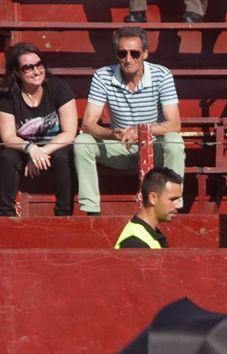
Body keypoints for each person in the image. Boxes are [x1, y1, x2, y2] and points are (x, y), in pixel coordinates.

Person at [74, 27, 186, 217]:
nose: (128, 59)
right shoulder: (103, 75)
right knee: (82, 142)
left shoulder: (161, 74)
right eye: (122, 53)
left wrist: (142, 131)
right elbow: (87, 124)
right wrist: (113, 133)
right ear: (116, 55)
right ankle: (91, 211)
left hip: (153, 145)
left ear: (144, 54)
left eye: (134, 53)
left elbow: (174, 124)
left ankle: (174, 202)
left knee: (174, 140)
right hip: (120, 145)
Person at [0, 43, 77, 218]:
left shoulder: (59, 87)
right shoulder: (6, 95)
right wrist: (31, 149)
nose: (37, 71)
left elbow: (69, 133)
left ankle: (64, 214)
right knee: (7, 157)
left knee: (64, 156)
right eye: (28, 68)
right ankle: (6, 214)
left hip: (55, 145)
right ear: (16, 72)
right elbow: (8, 137)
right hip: (23, 147)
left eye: (39, 65)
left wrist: (41, 151)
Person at [115, 166, 181, 248]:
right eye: (173, 199)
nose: (179, 206)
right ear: (153, 198)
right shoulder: (135, 243)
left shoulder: (146, 234)